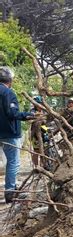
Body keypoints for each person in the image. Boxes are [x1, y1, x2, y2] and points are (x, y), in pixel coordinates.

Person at [0, 67, 34, 203]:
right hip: (9, 133)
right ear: (10, 80)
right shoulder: (8, 93)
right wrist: (27, 115)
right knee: (13, 162)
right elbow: (12, 113)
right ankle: (10, 191)